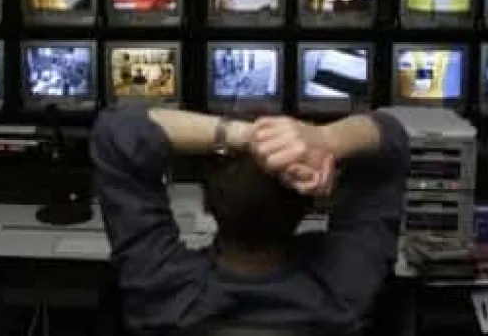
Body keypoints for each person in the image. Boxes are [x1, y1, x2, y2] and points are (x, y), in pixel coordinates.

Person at [91, 106, 409, 335]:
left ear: (206, 203)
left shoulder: (161, 287)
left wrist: (242, 136)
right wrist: (324, 139)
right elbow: (392, 139)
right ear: (309, 205)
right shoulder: (345, 288)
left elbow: (116, 131)